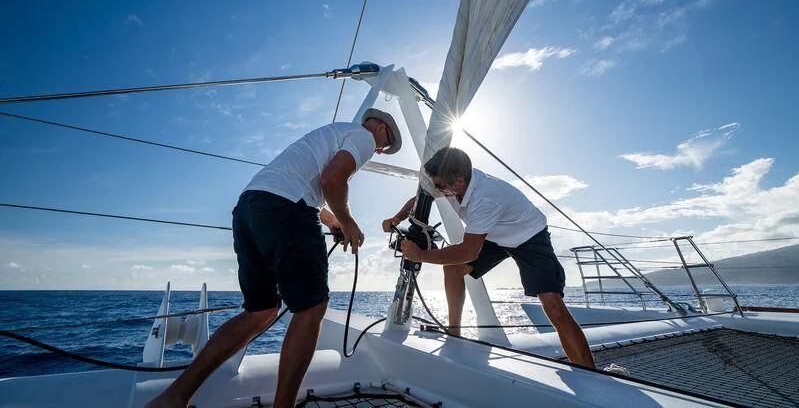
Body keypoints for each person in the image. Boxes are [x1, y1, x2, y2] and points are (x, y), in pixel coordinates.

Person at [147, 108, 402, 408]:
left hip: (248, 208)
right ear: (382, 130)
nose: (379, 151)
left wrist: (333, 221)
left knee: (260, 311)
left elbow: (291, 186)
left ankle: (174, 397)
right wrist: (347, 221)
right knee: (311, 308)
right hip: (286, 210)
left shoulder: (329, 134)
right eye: (384, 148)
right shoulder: (364, 137)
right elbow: (332, 180)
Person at [383, 147, 595, 368]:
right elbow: (421, 198)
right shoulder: (448, 184)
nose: (435, 188)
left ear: (459, 182)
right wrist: (396, 218)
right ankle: (453, 332)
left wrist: (421, 255)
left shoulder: (486, 197)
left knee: (553, 305)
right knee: (453, 269)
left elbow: (468, 251)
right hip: (495, 234)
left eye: (439, 186)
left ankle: (592, 375)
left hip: (529, 235)